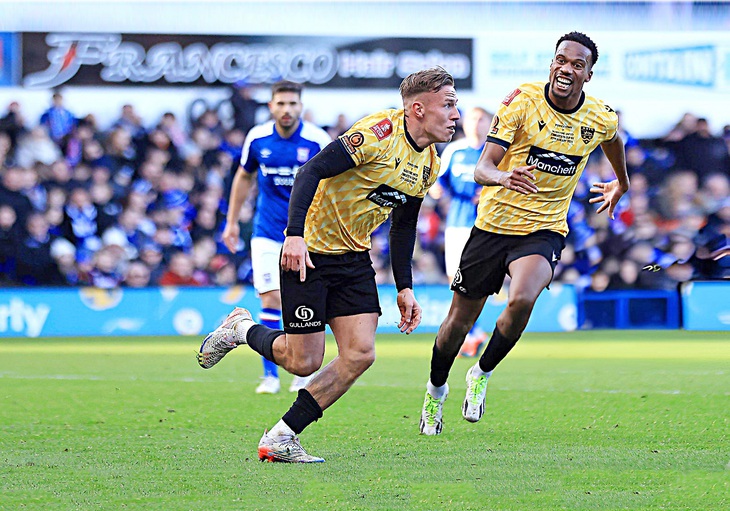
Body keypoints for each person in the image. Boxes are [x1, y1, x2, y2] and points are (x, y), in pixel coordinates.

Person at [198, 67, 460, 462]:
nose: (456, 114)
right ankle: (241, 328)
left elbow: (404, 226)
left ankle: (281, 436)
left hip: (354, 257)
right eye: (449, 105)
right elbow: (311, 171)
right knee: (303, 361)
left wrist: (404, 286)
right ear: (418, 109)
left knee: (360, 354)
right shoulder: (377, 134)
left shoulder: (430, 163)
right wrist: (295, 235)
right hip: (309, 252)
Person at [419, 32, 629, 436]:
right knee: (458, 323)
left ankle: (480, 374)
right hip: (492, 226)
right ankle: (435, 390)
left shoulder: (599, 116)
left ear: (588, 74)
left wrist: (622, 181)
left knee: (522, 300)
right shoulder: (522, 101)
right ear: (553, 63)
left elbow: (613, 139)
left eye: (577, 64)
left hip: (544, 228)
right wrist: (503, 177)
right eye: (560, 60)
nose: (566, 68)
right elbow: (483, 169)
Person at [221, 80, 332, 395]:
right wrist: (231, 223)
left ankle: (302, 369)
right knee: (271, 297)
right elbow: (244, 177)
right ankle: (270, 375)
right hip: (268, 232)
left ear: (301, 106)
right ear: (271, 106)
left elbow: (332, 185)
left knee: (304, 300)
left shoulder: (316, 140)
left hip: (309, 234)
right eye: (281, 104)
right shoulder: (257, 138)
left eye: (293, 104)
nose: (287, 110)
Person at [430, 106, 493, 357]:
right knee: (454, 279)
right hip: (456, 224)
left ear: (490, 123)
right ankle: (473, 332)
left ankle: (471, 331)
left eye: (481, 120)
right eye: (472, 120)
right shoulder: (455, 150)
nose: (475, 124)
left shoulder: (495, 151)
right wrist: (437, 191)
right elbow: (439, 180)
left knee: (473, 280)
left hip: (485, 225)